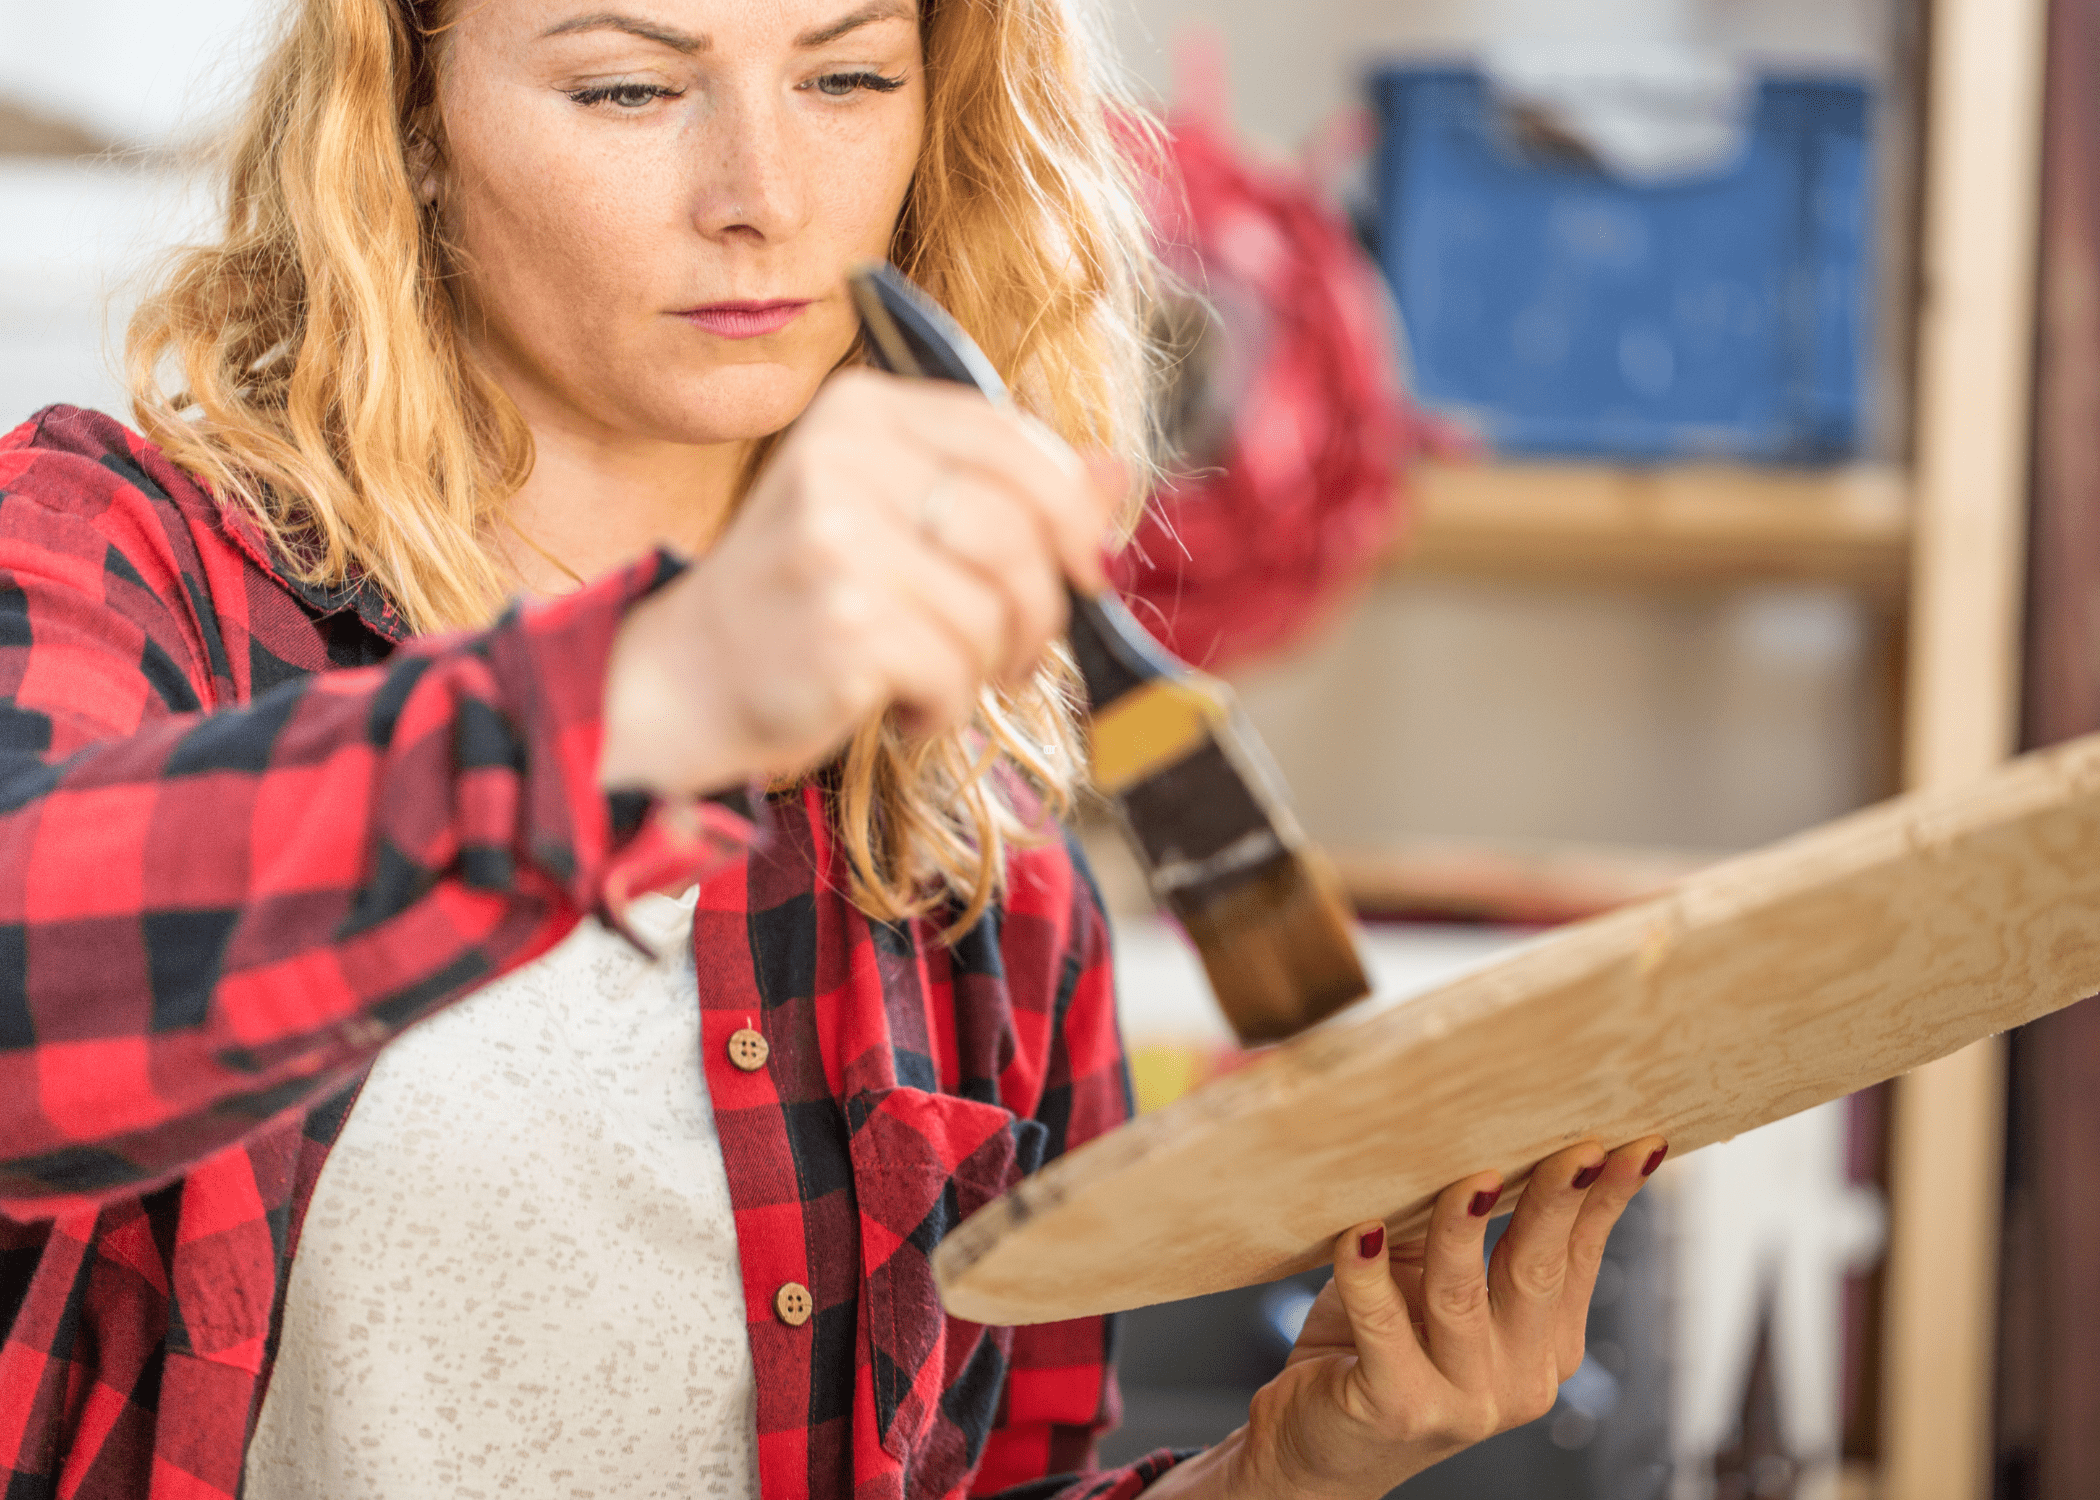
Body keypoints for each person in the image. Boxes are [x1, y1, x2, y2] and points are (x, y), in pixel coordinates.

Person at [0, 1, 1667, 1496]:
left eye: (851, 75)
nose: (764, 194)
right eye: (630, 87)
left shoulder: (974, 850)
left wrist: (1284, 1474)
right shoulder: (124, 563)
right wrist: (658, 687)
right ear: (411, 120)